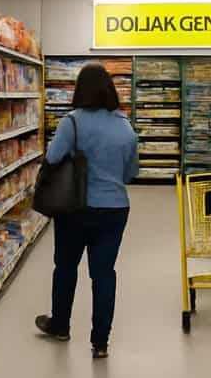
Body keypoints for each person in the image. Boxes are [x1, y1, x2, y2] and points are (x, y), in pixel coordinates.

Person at [35, 62, 139, 359]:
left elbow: (53, 157)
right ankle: (100, 342)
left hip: (75, 207)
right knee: (104, 274)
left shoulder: (73, 122)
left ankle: (60, 325)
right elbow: (130, 172)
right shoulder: (125, 126)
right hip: (115, 209)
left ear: (80, 90)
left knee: (66, 267)